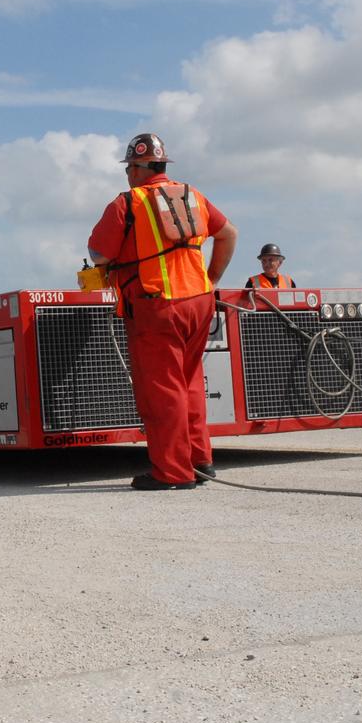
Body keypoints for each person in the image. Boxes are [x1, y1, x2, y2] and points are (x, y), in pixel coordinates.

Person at [87, 133, 238, 490]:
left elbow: (98, 255)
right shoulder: (193, 196)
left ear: (139, 169)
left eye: (129, 169)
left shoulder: (127, 203)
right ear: (162, 167)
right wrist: (211, 278)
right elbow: (228, 234)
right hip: (199, 302)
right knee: (188, 384)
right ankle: (200, 460)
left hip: (157, 305)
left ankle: (173, 472)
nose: (128, 176)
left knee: (161, 389)